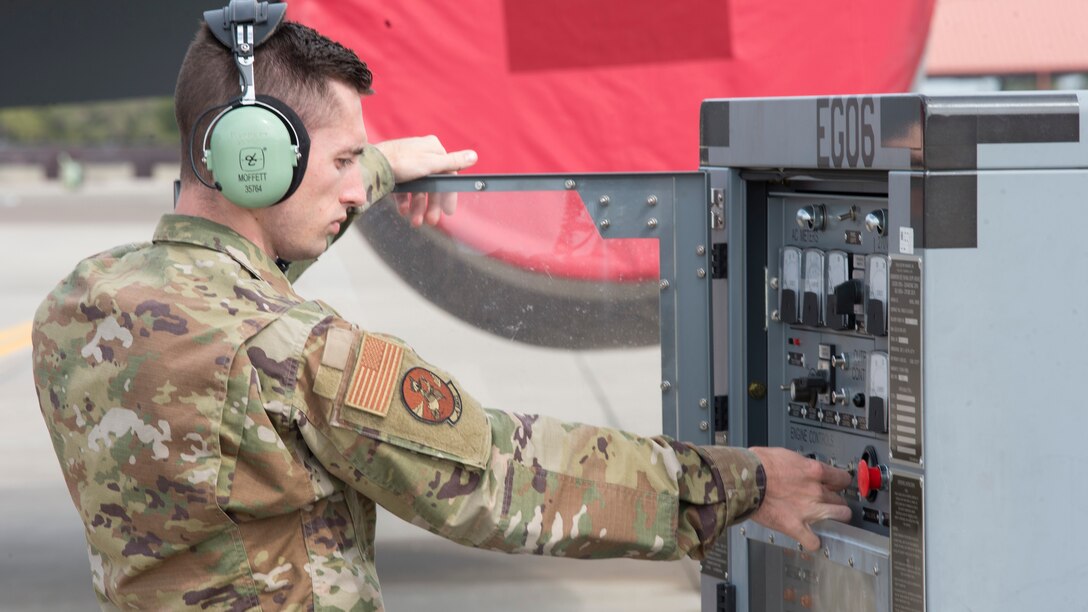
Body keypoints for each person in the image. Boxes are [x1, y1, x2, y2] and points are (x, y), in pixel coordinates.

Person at [31, 10, 852, 611]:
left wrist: (377, 166)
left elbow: (236, 273)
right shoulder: (301, 354)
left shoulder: (81, 305)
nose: (355, 188)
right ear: (255, 163)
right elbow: (498, 478)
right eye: (342, 160)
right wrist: (740, 483)